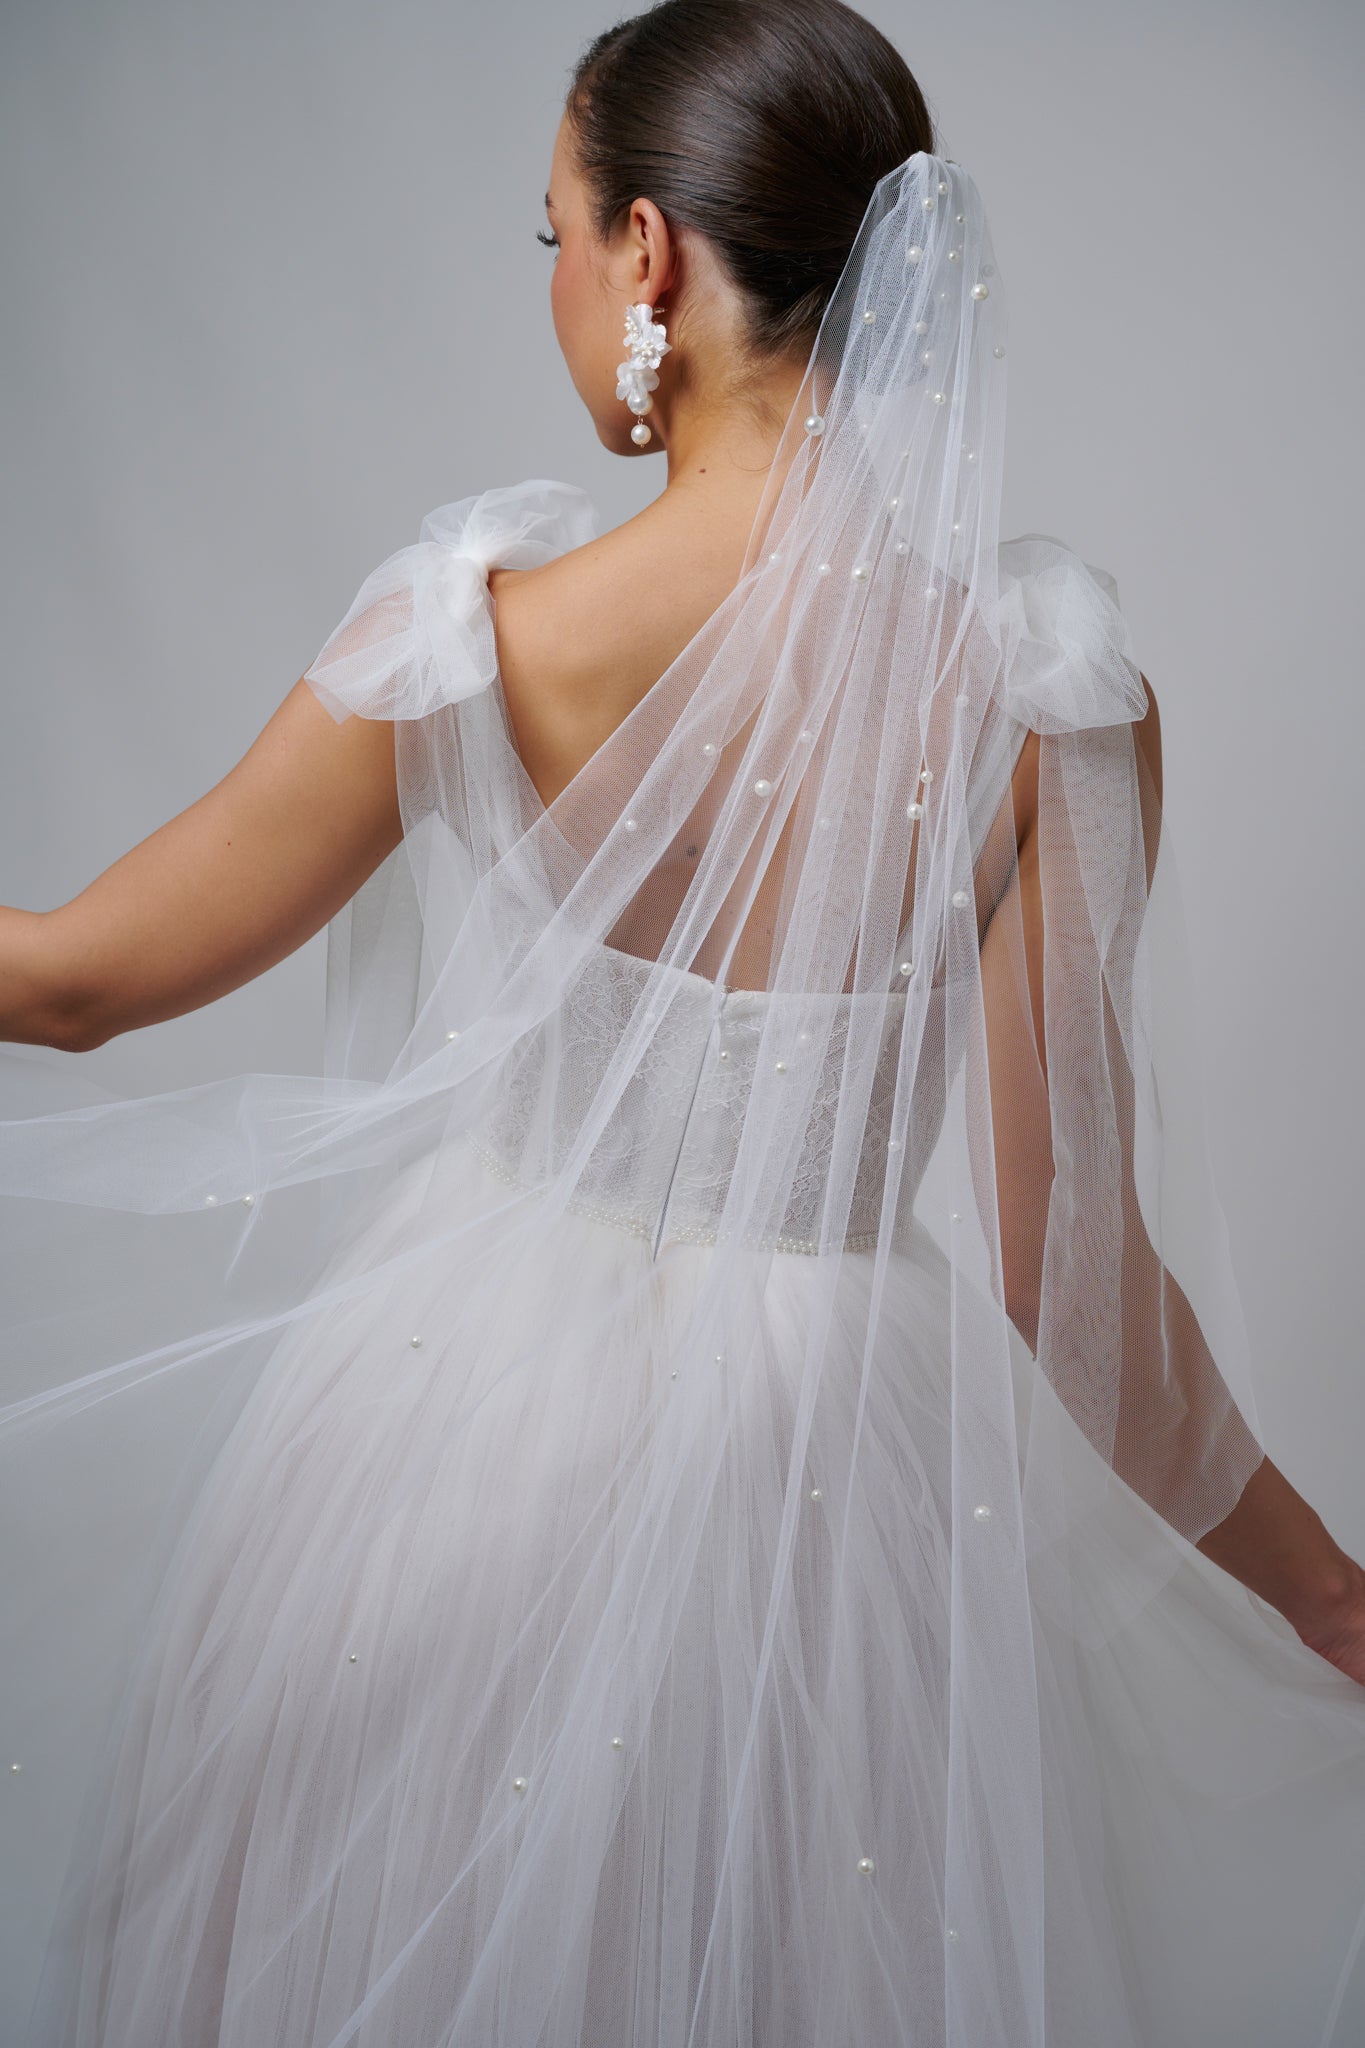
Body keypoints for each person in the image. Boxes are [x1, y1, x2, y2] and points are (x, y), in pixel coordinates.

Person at [3, 3, 1364, 2043]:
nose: (552, 281)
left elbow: (69, 981)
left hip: (447, 1449)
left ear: (646, 256)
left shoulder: (480, 634)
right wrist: (1327, 1589)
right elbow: (1060, 1281)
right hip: (835, 1500)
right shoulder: (1046, 707)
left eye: (545, 231)